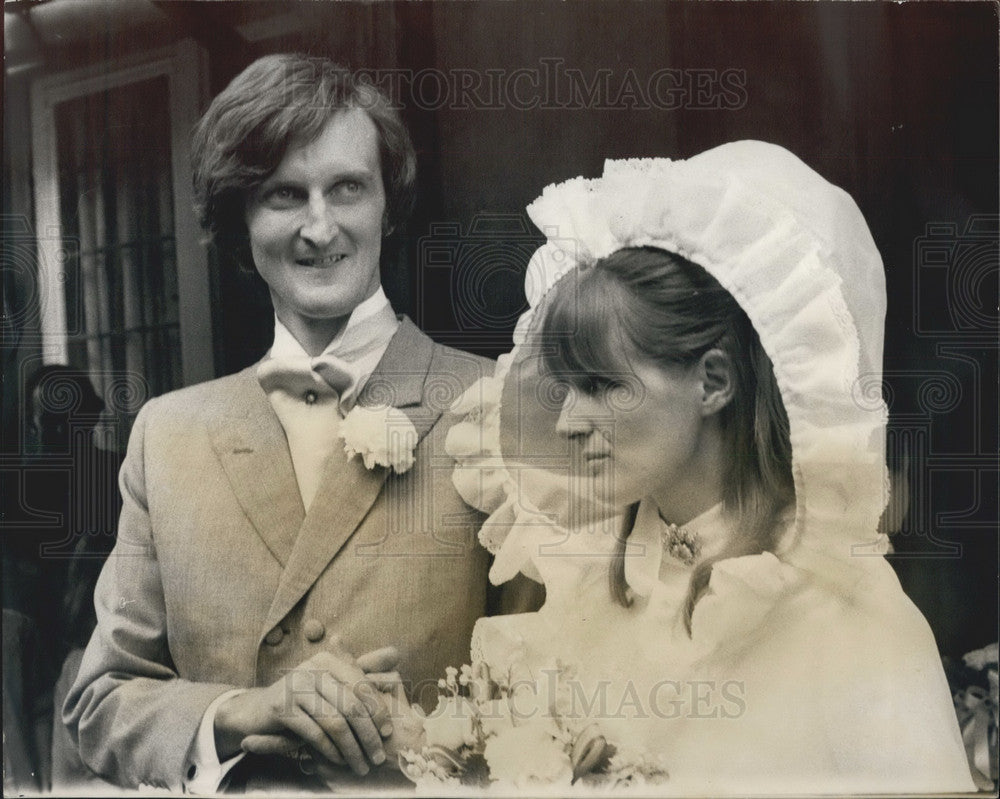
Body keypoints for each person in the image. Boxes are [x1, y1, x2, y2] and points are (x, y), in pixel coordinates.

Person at [64, 53, 536, 794]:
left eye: (347, 187)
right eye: (284, 194)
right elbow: (99, 699)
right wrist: (241, 711)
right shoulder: (167, 435)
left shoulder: (498, 404)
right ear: (238, 221)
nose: (321, 226)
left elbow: (560, 694)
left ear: (388, 202)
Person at [461, 143, 977, 793]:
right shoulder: (587, 582)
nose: (567, 421)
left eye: (599, 383)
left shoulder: (854, 626)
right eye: (566, 385)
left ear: (712, 381)